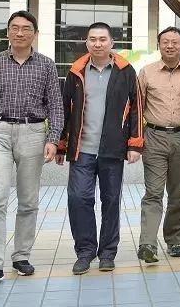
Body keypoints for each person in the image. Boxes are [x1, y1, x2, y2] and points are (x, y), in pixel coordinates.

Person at [0, 10, 64, 288]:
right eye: (14, 28)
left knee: (28, 200)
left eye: (26, 28)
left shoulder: (46, 65)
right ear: (7, 32)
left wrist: (53, 139)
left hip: (33, 133)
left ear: (35, 34)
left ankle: (21, 256)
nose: (20, 33)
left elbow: (56, 105)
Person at [57, 22, 142, 275]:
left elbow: (136, 107)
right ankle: (85, 252)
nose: (97, 44)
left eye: (102, 39)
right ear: (86, 43)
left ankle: (107, 253)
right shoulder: (76, 71)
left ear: (111, 43)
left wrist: (134, 143)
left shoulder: (126, 71)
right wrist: (61, 144)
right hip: (81, 149)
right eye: (92, 39)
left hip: (112, 149)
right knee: (78, 198)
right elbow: (65, 109)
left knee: (111, 201)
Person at [136, 26, 180, 263]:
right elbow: (137, 108)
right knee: (153, 192)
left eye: (175, 42)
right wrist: (135, 141)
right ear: (159, 45)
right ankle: (147, 243)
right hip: (154, 136)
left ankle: (174, 240)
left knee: (177, 193)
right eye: (165, 42)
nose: (170, 45)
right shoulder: (146, 72)